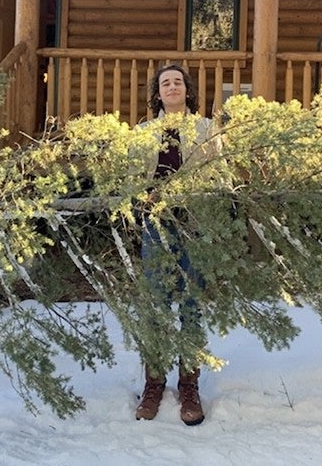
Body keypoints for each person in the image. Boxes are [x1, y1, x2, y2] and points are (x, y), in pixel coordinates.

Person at [133, 64, 218, 426]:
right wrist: (144, 197)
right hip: (156, 224)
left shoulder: (206, 129)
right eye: (165, 82)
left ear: (187, 90)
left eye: (177, 82)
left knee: (192, 303)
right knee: (156, 302)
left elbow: (218, 172)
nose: (171, 87)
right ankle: (154, 381)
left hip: (194, 223)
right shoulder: (142, 132)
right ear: (157, 92)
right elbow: (131, 177)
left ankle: (189, 383)